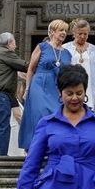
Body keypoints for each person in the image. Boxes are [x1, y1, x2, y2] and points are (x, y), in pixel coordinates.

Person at [19, 19, 71, 150]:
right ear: (52, 32)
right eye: (61, 30)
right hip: (39, 84)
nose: (64, 33)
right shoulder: (42, 47)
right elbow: (31, 69)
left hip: (57, 88)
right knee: (40, 112)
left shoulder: (67, 53)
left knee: (55, 115)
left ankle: (50, 146)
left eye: (65, 30)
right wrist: (27, 89)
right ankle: (36, 146)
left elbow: (68, 75)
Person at [0, 31, 28, 157]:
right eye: (14, 43)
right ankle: (0, 159)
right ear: (9, 43)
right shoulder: (6, 52)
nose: (15, 46)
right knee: (3, 128)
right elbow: (24, 65)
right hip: (1, 96)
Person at [65, 19, 95, 110]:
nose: (83, 36)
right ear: (74, 33)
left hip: (89, 86)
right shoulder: (65, 48)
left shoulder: (94, 49)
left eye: (85, 34)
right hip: (71, 84)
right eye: (80, 34)